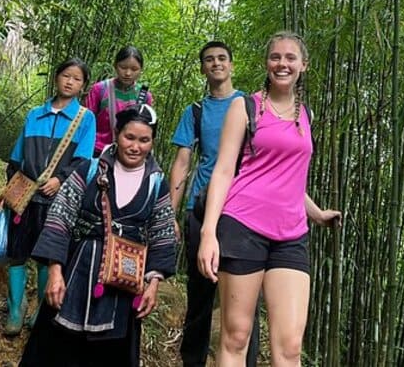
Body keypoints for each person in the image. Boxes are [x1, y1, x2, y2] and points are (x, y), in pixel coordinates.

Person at [197, 32, 341, 367]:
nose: (282, 64)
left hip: (291, 236)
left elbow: (287, 179)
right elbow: (223, 172)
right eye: (276, 57)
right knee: (236, 336)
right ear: (267, 63)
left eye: (291, 58)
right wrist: (208, 233)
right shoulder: (245, 106)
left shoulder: (305, 115)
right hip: (242, 226)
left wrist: (316, 214)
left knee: (290, 346)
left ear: (303, 65)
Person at [20, 105, 176, 367]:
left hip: (123, 284)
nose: (135, 146)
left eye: (144, 140)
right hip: (76, 272)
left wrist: (154, 282)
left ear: (152, 141)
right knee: (57, 348)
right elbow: (60, 217)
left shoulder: (155, 184)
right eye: (129, 137)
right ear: (116, 134)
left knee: (110, 353)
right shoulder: (88, 170)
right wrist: (55, 272)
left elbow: (162, 232)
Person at [169, 41, 260, 367]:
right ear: (202, 68)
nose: (216, 63)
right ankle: (192, 361)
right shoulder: (194, 111)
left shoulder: (252, 106)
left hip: (243, 211)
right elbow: (181, 163)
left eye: (222, 58)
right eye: (209, 59)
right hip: (202, 207)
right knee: (200, 296)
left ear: (231, 65)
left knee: (244, 300)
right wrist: (170, 213)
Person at [3, 58, 96, 336]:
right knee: (17, 254)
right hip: (26, 198)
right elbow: (16, 157)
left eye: (76, 78)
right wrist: (12, 187)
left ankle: (38, 313)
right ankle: (15, 312)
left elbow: (84, 160)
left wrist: (61, 180)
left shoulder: (84, 118)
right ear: (56, 78)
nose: (69, 82)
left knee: (46, 256)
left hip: (56, 201)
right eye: (65, 75)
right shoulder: (34, 115)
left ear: (83, 85)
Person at [86, 46, 153, 156]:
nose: (128, 73)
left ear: (141, 70)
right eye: (123, 67)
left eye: (134, 69)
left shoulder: (145, 96)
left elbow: (145, 129)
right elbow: (86, 122)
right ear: (115, 66)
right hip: (97, 151)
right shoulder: (100, 89)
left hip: (129, 155)